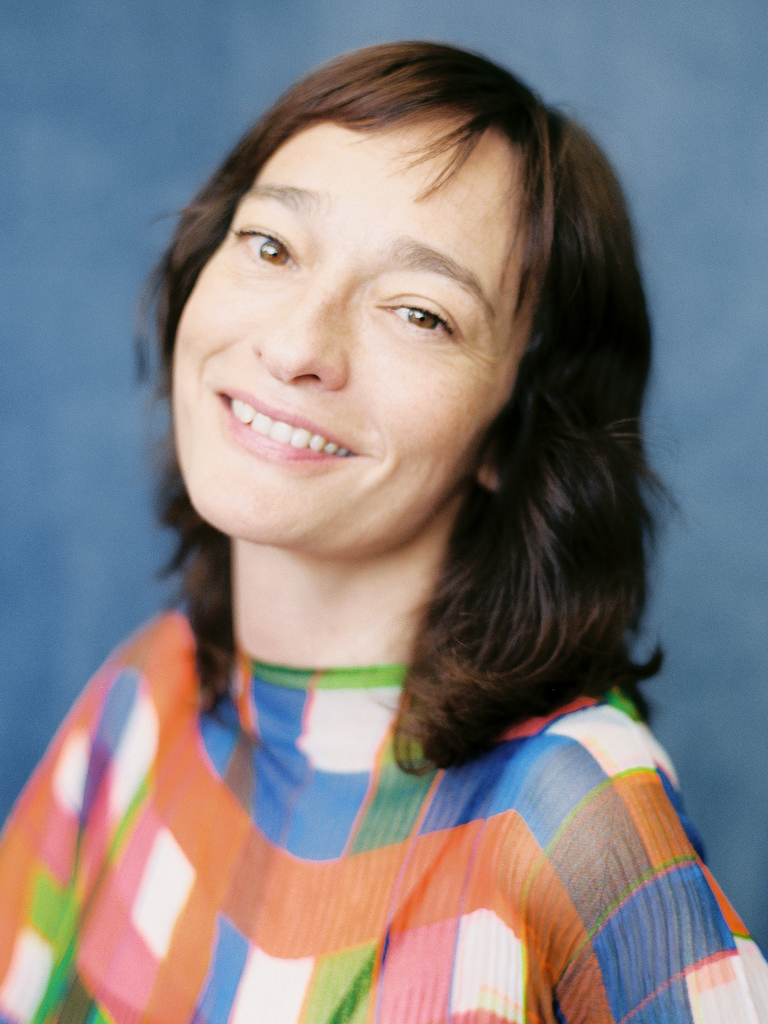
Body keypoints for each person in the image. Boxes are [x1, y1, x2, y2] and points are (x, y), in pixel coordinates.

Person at [0, 40, 765, 1024]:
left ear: (514, 431)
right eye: (271, 246)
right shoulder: (144, 695)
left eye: (419, 313)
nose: (296, 345)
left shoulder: (576, 813)